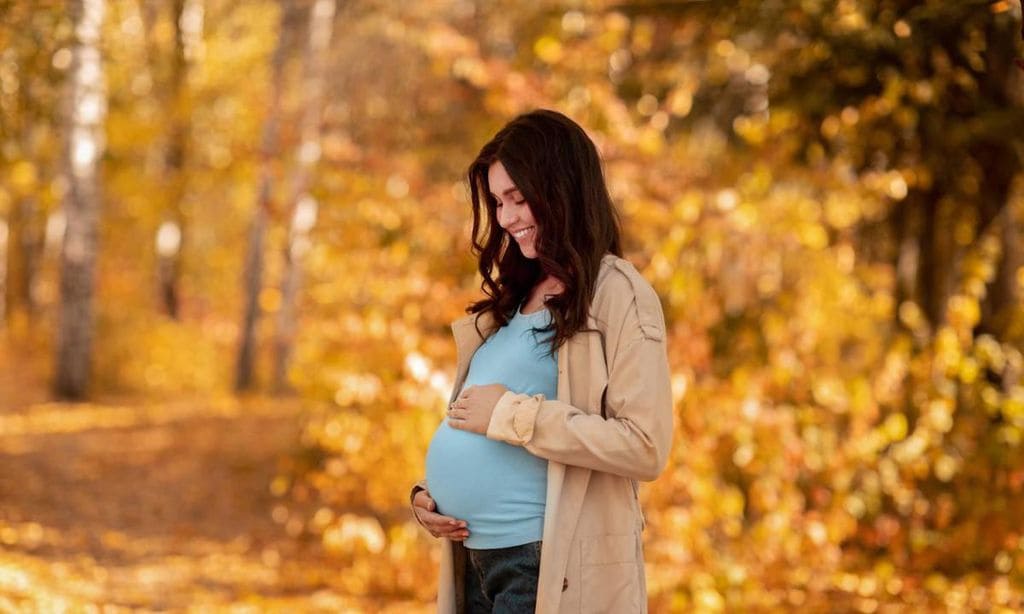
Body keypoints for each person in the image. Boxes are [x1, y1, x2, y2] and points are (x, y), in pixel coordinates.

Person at [411, 109, 673, 614]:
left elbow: (645, 446)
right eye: (497, 202)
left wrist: (514, 415)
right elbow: (480, 430)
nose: (505, 218)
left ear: (562, 189)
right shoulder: (519, 296)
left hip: (544, 566)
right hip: (475, 559)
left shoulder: (616, 293)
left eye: (518, 198)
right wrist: (430, 499)